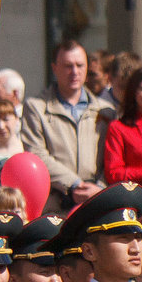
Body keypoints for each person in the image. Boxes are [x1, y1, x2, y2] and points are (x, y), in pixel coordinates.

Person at [24, 40, 106, 211]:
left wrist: (99, 188)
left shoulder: (106, 110)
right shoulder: (36, 107)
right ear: (54, 68)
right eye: (68, 66)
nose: (74, 72)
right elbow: (36, 154)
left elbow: (113, 157)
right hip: (56, 204)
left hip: (97, 202)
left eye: (79, 65)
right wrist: (74, 184)